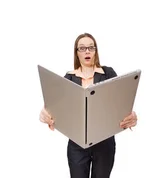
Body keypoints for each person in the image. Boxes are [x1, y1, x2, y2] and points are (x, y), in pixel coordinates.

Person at [39, 33, 138, 178]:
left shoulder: (108, 73)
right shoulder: (68, 78)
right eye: (82, 48)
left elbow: (119, 103)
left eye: (91, 48)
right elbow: (58, 108)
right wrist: (45, 113)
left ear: (96, 51)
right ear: (76, 52)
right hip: (76, 145)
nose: (87, 51)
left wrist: (131, 116)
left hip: (104, 143)